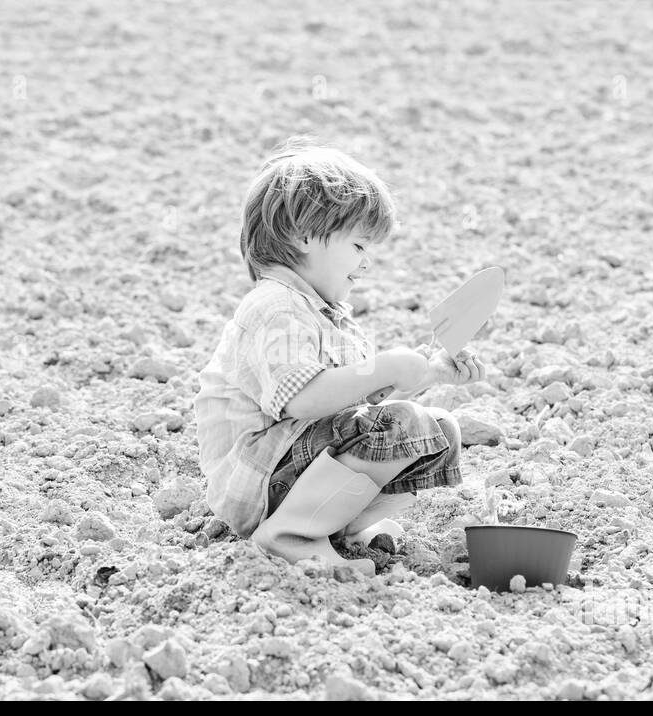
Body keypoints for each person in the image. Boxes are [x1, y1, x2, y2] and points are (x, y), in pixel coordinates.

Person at [194, 137, 486, 576]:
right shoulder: (276, 308)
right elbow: (304, 401)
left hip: (300, 463)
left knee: (438, 431)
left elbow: (358, 403)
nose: (367, 263)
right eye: (359, 246)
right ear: (306, 235)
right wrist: (382, 366)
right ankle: (291, 534)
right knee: (400, 426)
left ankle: (337, 528)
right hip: (261, 479)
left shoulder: (324, 314)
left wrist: (431, 371)